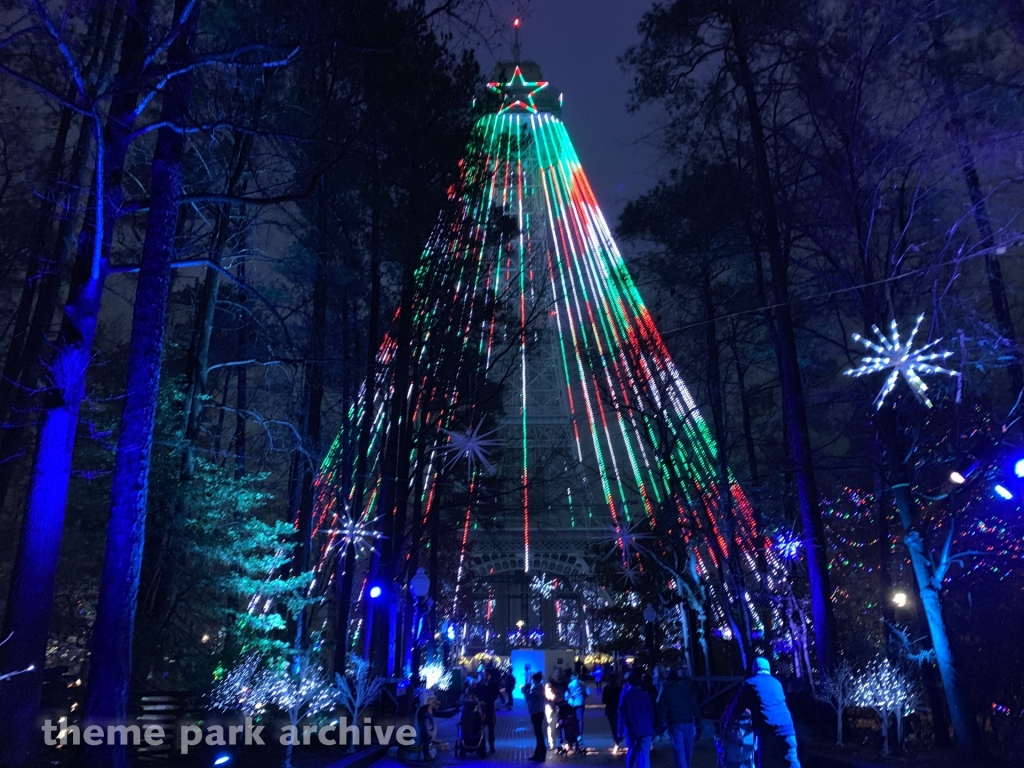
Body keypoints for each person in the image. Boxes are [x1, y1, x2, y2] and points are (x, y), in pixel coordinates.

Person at [725, 657, 801, 768]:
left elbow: (736, 709)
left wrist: (729, 724)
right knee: (791, 762)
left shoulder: (749, 683)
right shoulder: (777, 683)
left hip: (768, 732)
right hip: (788, 729)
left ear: (754, 669)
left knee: (766, 763)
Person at [657, 667, 701, 768]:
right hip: (689, 722)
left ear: (669, 680)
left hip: (675, 723)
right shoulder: (685, 690)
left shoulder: (667, 691)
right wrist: (698, 723)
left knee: (679, 752)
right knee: (688, 751)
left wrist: (661, 723)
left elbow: (663, 709)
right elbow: (695, 706)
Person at [618, 668, 656, 768]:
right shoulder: (645, 696)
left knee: (631, 753)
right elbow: (651, 713)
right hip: (647, 730)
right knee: (645, 756)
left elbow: (621, 715)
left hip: (633, 730)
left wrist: (619, 732)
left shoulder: (626, 696)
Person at [474, 668, 502, 753]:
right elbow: (476, 693)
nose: (485, 676)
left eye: (487, 675)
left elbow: (494, 696)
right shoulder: (481, 684)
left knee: (491, 727)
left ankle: (491, 745)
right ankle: (481, 744)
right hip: (481, 709)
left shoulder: (493, 684)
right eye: (485, 675)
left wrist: (485, 701)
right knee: (479, 727)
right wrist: (479, 700)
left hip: (489, 708)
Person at [526, 672, 547, 761]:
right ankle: (539, 752)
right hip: (536, 712)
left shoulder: (538, 688)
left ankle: (541, 752)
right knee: (538, 733)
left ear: (535, 680)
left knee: (538, 733)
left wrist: (526, 693)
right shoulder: (538, 687)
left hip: (537, 712)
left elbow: (534, 698)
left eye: (533, 679)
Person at [566, 671, 592, 736]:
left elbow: (566, 695)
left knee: (573, 719)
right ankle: (580, 734)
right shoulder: (581, 683)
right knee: (580, 719)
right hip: (580, 702)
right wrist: (583, 696)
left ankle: (574, 733)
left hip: (571, 703)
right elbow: (589, 692)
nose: (570, 678)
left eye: (571, 676)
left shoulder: (570, 684)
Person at [602, 673, 623, 752]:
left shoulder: (606, 688)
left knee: (613, 726)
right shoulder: (619, 689)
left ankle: (616, 741)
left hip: (610, 709)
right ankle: (618, 739)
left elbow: (604, 700)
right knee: (618, 725)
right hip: (618, 709)